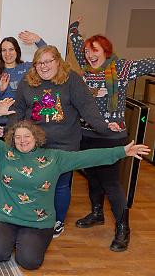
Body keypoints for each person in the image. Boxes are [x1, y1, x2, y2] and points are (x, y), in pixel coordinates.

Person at [0, 98, 149, 270]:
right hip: (5, 215)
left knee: (29, 262)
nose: (22, 141)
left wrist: (122, 151)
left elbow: (88, 157)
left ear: (36, 137)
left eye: (27, 136)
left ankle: (21, 239)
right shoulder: (4, 152)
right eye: (18, 137)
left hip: (38, 220)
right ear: (12, 139)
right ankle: (10, 237)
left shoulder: (54, 158)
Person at [8, 45, 120, 238]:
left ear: (58, 62)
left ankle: (57, 220)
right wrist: (12, 136)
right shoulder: (27, 82)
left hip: (64, 145)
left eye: (48, 61)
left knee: (60, 185)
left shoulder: (72, 80)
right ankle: (33, 216)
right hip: (35, 144)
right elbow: (17, 110)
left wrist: (104, 127)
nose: (43, 67)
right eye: (39, 63)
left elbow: (87, 106)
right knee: (36, 183)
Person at [69, 19, 155, 251]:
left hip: (111, 137)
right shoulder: (86, 69)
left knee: (111, 183)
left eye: (94, 50)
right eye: (87, 51)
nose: (88, 55)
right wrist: (74, 27)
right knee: (92, 177)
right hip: (86, 134)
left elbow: (150, 64)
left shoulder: (122, 68)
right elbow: (76, 44)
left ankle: (123, 228)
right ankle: (97, 213)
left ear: (105, 51)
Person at [0, 32, 47, 102]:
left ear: (17, 51)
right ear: (0, 53)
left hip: (23, 111)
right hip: (2, 111)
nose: (7, 54)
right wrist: (0, 90)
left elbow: (47, 56)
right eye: (4, 50)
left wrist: (38, 40)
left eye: (11, 49)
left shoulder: (27, 67)